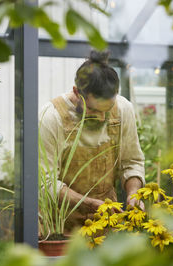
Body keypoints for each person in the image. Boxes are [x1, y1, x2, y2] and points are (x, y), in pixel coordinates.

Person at [39, 50, 145, 232]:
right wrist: (90, 204)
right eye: (95, 111)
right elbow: (45, 183)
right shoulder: (52, 117)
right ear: (76, 92)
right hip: (60, 227)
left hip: (107, 221)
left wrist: (133, 193)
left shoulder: (123, 109)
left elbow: (132, 162)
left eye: (108, 109)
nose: (103, 117)